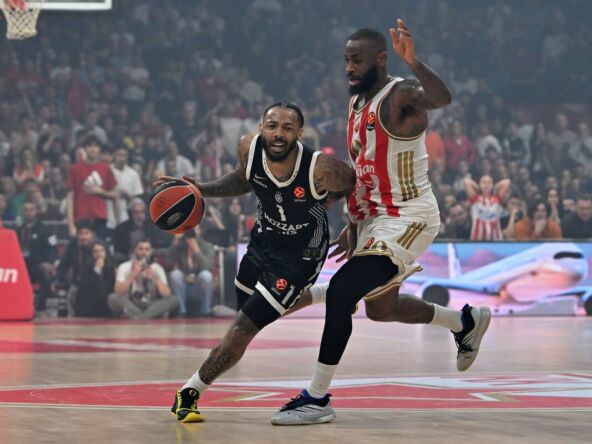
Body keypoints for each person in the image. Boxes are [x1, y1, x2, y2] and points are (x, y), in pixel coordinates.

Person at [271, 21, 490, 425]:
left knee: (341, 291)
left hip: (409, 215)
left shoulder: (400, 95)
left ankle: (316, 398)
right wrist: (354, 220)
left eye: (357, 60)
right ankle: (464, 322)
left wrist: (415, 62)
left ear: (381, 59)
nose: (349, 68)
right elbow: (364, 168)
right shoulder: (357, 103)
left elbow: (441, 98)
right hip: (374, 217)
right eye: (346, 60)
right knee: (381, 308)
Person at [157, 102, 356, 423]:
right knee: (250, 311)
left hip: (299, 258)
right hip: (262, 241)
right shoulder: (248, 148)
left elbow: (353, 183)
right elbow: (242, 180)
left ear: (300, 133)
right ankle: (321, 294)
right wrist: (201, 189)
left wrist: (352, 227)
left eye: (287, 128)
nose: (278, 134)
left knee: (243, 328)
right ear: (261, 128)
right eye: (272, 126)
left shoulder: (321, 168)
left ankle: (190, 391)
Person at [107, 239, 177, 319]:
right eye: (140, 249)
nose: (144, 252)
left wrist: (155, 277)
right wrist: (133, 274)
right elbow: (118, 292)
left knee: (173, 300)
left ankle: (139, 317)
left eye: (147, 249)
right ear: (135, 250)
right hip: (131, 303)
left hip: (152, 304)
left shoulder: (157, 268)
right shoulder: (124, 266)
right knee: (112, 298)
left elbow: (167, 294)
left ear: (151, 251)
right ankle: (150, 315)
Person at [66, 134, 117, 240]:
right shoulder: (75, 169)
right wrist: (70, 225)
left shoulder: (106, 168)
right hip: (80, 217)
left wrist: (100, 192)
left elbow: (114, 195)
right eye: (89, 145)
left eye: (96, 146)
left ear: (99, 149)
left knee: (100, 247)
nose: (92, 149)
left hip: (99, 217)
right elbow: (70, 198)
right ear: (84, 148)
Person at [17, 201, 57, 313]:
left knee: (46, 272)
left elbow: (53, 249)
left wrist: (50, 262)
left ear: (36, 211)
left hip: (37, 266)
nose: (29, 212)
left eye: (31, 209)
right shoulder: (18, 230)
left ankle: (41, 307)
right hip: (20, 267)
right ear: (22, 212)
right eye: (26, 210)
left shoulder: (45, 230)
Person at [167, 226, 215, 317]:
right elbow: (168, 262)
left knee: (206, 275)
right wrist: (175, 242)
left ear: (200, 231)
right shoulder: (180, 245)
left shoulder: (207, 246)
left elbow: (208, 266)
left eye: (195, 229)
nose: (192, 232)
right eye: (189, 229)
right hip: (183, 285)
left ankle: (206, 311)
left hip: (199, 285)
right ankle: (181, 311)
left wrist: (196, 250)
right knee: (175, 274)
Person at [464, 175, 511, 240]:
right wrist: (478, 188)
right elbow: (466, 181)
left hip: (495, 239)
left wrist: (495, 188)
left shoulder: (497, 199)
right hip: (478, 238)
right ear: (480, 184)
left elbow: (507, 182)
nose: (487, 185)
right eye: (484, 182)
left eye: (489, 183)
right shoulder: (475, 199)